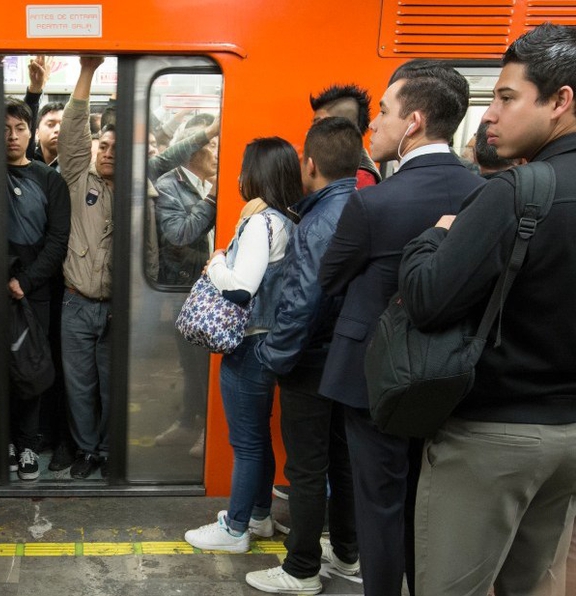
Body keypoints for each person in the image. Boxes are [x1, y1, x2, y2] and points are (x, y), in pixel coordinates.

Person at [397, 23, 576, 596]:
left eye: (506, 97)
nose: (490, 115)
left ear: (560, 102)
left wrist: (432, 238)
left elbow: (427, 301)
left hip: (492, 439)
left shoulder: (516, 193)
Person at [318, 61, 484, 596]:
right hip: (453, 372)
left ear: (412, 122)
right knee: (428, 501)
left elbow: (330, 278)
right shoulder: (484, 194)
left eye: (384, 112)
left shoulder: (374, 202)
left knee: (379, 502)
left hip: (371, 375)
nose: (375, 125)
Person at [244, 117, 362, 595]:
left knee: (307, 469)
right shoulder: (363, 204)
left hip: (310, 361)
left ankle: (301, 569)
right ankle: (348, 554)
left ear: (310, 164)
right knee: (343, 461)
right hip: (347, 358)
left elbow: (300, 304)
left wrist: (273, 357)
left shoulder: (315, 222)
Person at [183, 138, 300, 552]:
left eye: (244, 168)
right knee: (259, 438)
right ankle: (259, 515)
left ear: (258, 174)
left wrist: (215, 263)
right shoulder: (287, 220)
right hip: (268, 343)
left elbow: (240, 290)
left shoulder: (259, 223)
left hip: (248, 346)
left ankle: (234, 530)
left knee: (247, 443)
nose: (237, 176)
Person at [3, 98, 70, 479]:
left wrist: (25, 282)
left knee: (29, 367)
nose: (12, 137)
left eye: (19, 129)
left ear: (29, 134)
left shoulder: (49, 179)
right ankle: (6, 441)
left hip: (35, 292)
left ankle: (28, 443)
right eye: (5, 129)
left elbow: (57, 240)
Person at [60, 56, 115, 479]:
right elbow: (74, 130)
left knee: (112, 386)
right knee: (80, 386)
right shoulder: (80, 176)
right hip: (77, 302)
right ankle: (86, 451)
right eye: (104, 146)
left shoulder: (139, 188)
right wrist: (88, 71)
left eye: (116, 147)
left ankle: (111, 450)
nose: (109, 153)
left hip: (117, 305)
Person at [152, 113, 219, 457]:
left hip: (210, 290)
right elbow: (178, 235)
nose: (216, 154)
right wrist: (211, 201)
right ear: (192, 153)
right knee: (194, 365)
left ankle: (198, 423)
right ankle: (192, 423)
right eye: (211, 147)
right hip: (184, 289)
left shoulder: (210, 182)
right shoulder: (168, 185)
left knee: (203, 365)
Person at [309, 84, 381, 188]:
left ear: (343, 125)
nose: (311, 131)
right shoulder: (338, 167)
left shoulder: (362, 178)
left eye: (319, 123)